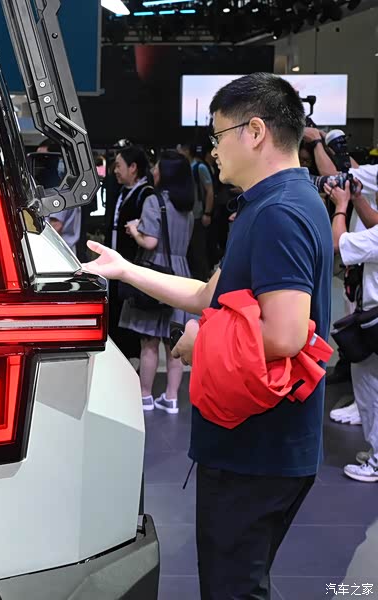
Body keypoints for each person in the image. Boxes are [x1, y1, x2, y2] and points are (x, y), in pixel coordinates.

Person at [82, 73, 333, 599]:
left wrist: (203, 343)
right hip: (256, 441)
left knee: (232, 589)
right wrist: (126, 269)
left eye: (218, 135)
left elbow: (285, 334)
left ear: (255, 131)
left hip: (257, 447)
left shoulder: (279, 212)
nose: (212, 149)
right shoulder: (274, 202)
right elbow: (205, 294)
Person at [118, 150, 195, 413]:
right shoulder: (186, 206)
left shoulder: (154, 201)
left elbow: (150, 241)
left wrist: (134, 230)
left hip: (157, 273)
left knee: (149, 340)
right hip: (180, 273)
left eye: (158, 168)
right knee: (175, 343)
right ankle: (171, 398)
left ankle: (145, 396)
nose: (154, 171)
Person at [328, 177, 378, 483]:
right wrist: (359, 198)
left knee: (370, 389)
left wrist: (342, 205)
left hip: (375, 320)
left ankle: (376, 461)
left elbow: (338, 243)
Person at [107, 146, 154, 361]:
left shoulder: (146, 194)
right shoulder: (123, 191)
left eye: (119, 165)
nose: (115, 170)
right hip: (118, 261)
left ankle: (129, 356)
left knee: (128, 309)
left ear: (133, 167)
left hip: (133, 262)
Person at [178, 142, 215, 281]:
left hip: (198, 214)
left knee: (198, 249)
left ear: (187, 151)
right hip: (188, 215)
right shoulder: (187, 167)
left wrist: (207, 213)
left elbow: (210, 191)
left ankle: (203, 279)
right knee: (191, 251)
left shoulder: (199, 167)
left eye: (181, 149)